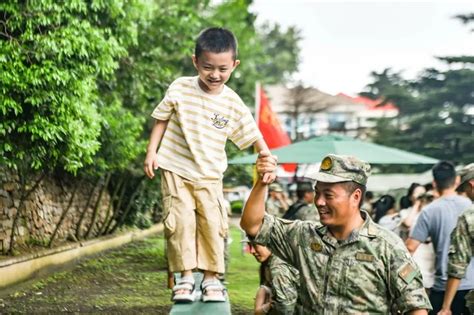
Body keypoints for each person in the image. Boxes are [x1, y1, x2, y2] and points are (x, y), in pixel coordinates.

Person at [143, 27, 275, 302]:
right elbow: (162, 118)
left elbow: (252, 135)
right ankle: (186, 278)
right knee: (179, 222)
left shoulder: (232, 103)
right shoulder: (180, 87)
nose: (215, 74)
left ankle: (212, 279)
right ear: (195, 62)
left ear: (234, 66)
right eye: (207, 67)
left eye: (222, 69)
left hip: (210, 175)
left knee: (213, 224)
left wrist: (266, 156)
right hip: (176, 168)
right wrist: (151, 151)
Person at [241, 152, 431, 314]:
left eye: (329, 195)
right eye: (317, 193)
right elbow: (252, 224)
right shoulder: (303, 236)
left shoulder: (387, 247)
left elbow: (416, 306)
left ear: (355, 197)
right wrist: (262, 182)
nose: (319, 202)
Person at [406, 161, 472, 314]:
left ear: (434, 183)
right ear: (456, 180)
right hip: (472, 286)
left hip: (443, 287)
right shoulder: (470, 206)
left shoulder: (429, 211)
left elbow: (410, 247)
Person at [437, 164, 474, 315]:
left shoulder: (469, 217)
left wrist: (446, 307)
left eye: (465, 191)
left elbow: (458, 264)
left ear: (472, 185)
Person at [244, 237, 299, 315]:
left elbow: (285, 307)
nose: (252, 251)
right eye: (250, 246)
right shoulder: (266, 265)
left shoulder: (279, 267)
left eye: (255, 245)